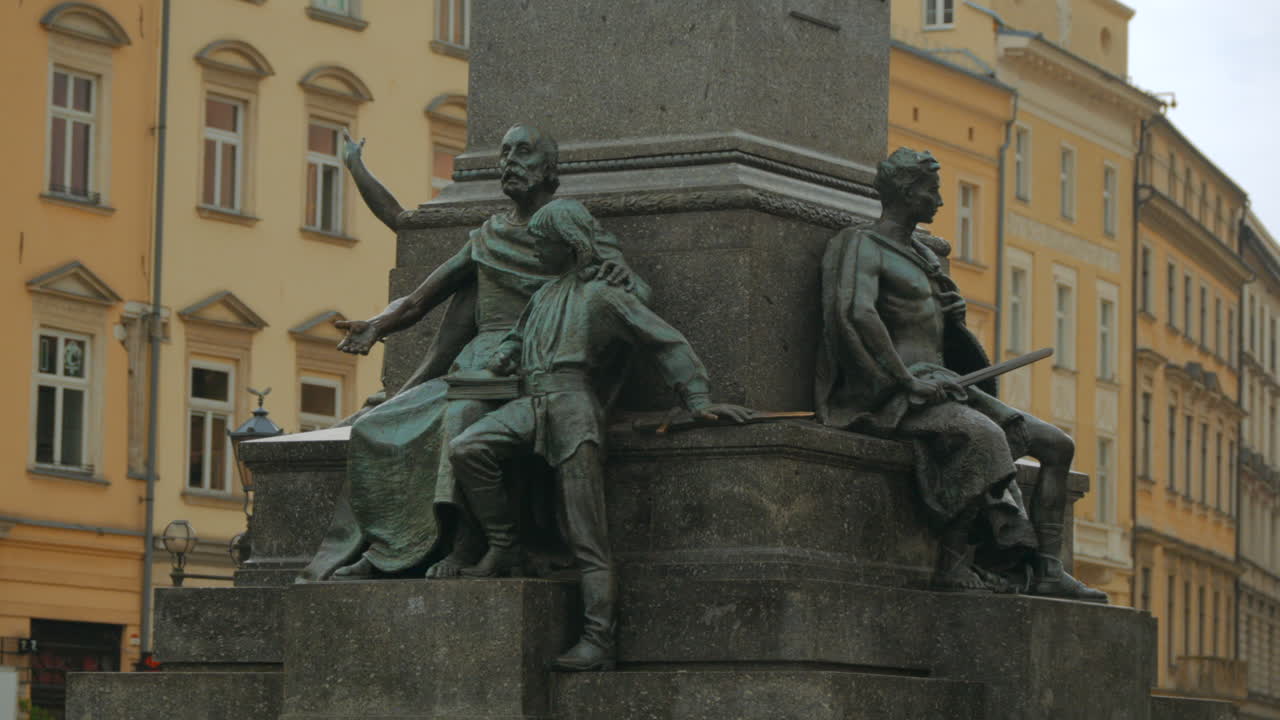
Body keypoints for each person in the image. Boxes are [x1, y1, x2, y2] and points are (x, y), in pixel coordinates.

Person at [298, 125, 650, 582]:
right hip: (476, 366)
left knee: (461, 417)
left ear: (550, 169)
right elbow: (420, 299)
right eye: (504, 153)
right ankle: (391, 550)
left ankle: (467, 544)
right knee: (377, 426)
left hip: (536, 359)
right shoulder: (488, 236)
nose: (509, 162)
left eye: (523, 152)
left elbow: (629, 288)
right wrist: (377, 326)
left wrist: (621, 281)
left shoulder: (568, 223)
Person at [448, 198, 752, 670]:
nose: (534, 252)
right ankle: (504, 543)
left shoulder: (603, 294)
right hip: (531, 403)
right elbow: (517, 336)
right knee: (467, 448)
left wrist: (697, 400)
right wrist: (504, 355)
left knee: (586, 534)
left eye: (541, 244)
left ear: (566, 245)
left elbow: (664, 339)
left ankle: (597, 640)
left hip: (572, 408)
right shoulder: (545, 294)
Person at [814, 147, 1106, 602]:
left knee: (1056, 444)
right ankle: (952, 566)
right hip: (892, 393)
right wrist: (905, 381)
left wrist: (955, 320)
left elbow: (936, 335)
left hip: (942, 384)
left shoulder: (924, 256)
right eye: (932, 191)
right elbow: (856, 314)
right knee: (984, 437)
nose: (940, 202)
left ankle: (1049, 571)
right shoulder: (863, 245)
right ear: (907, 192)